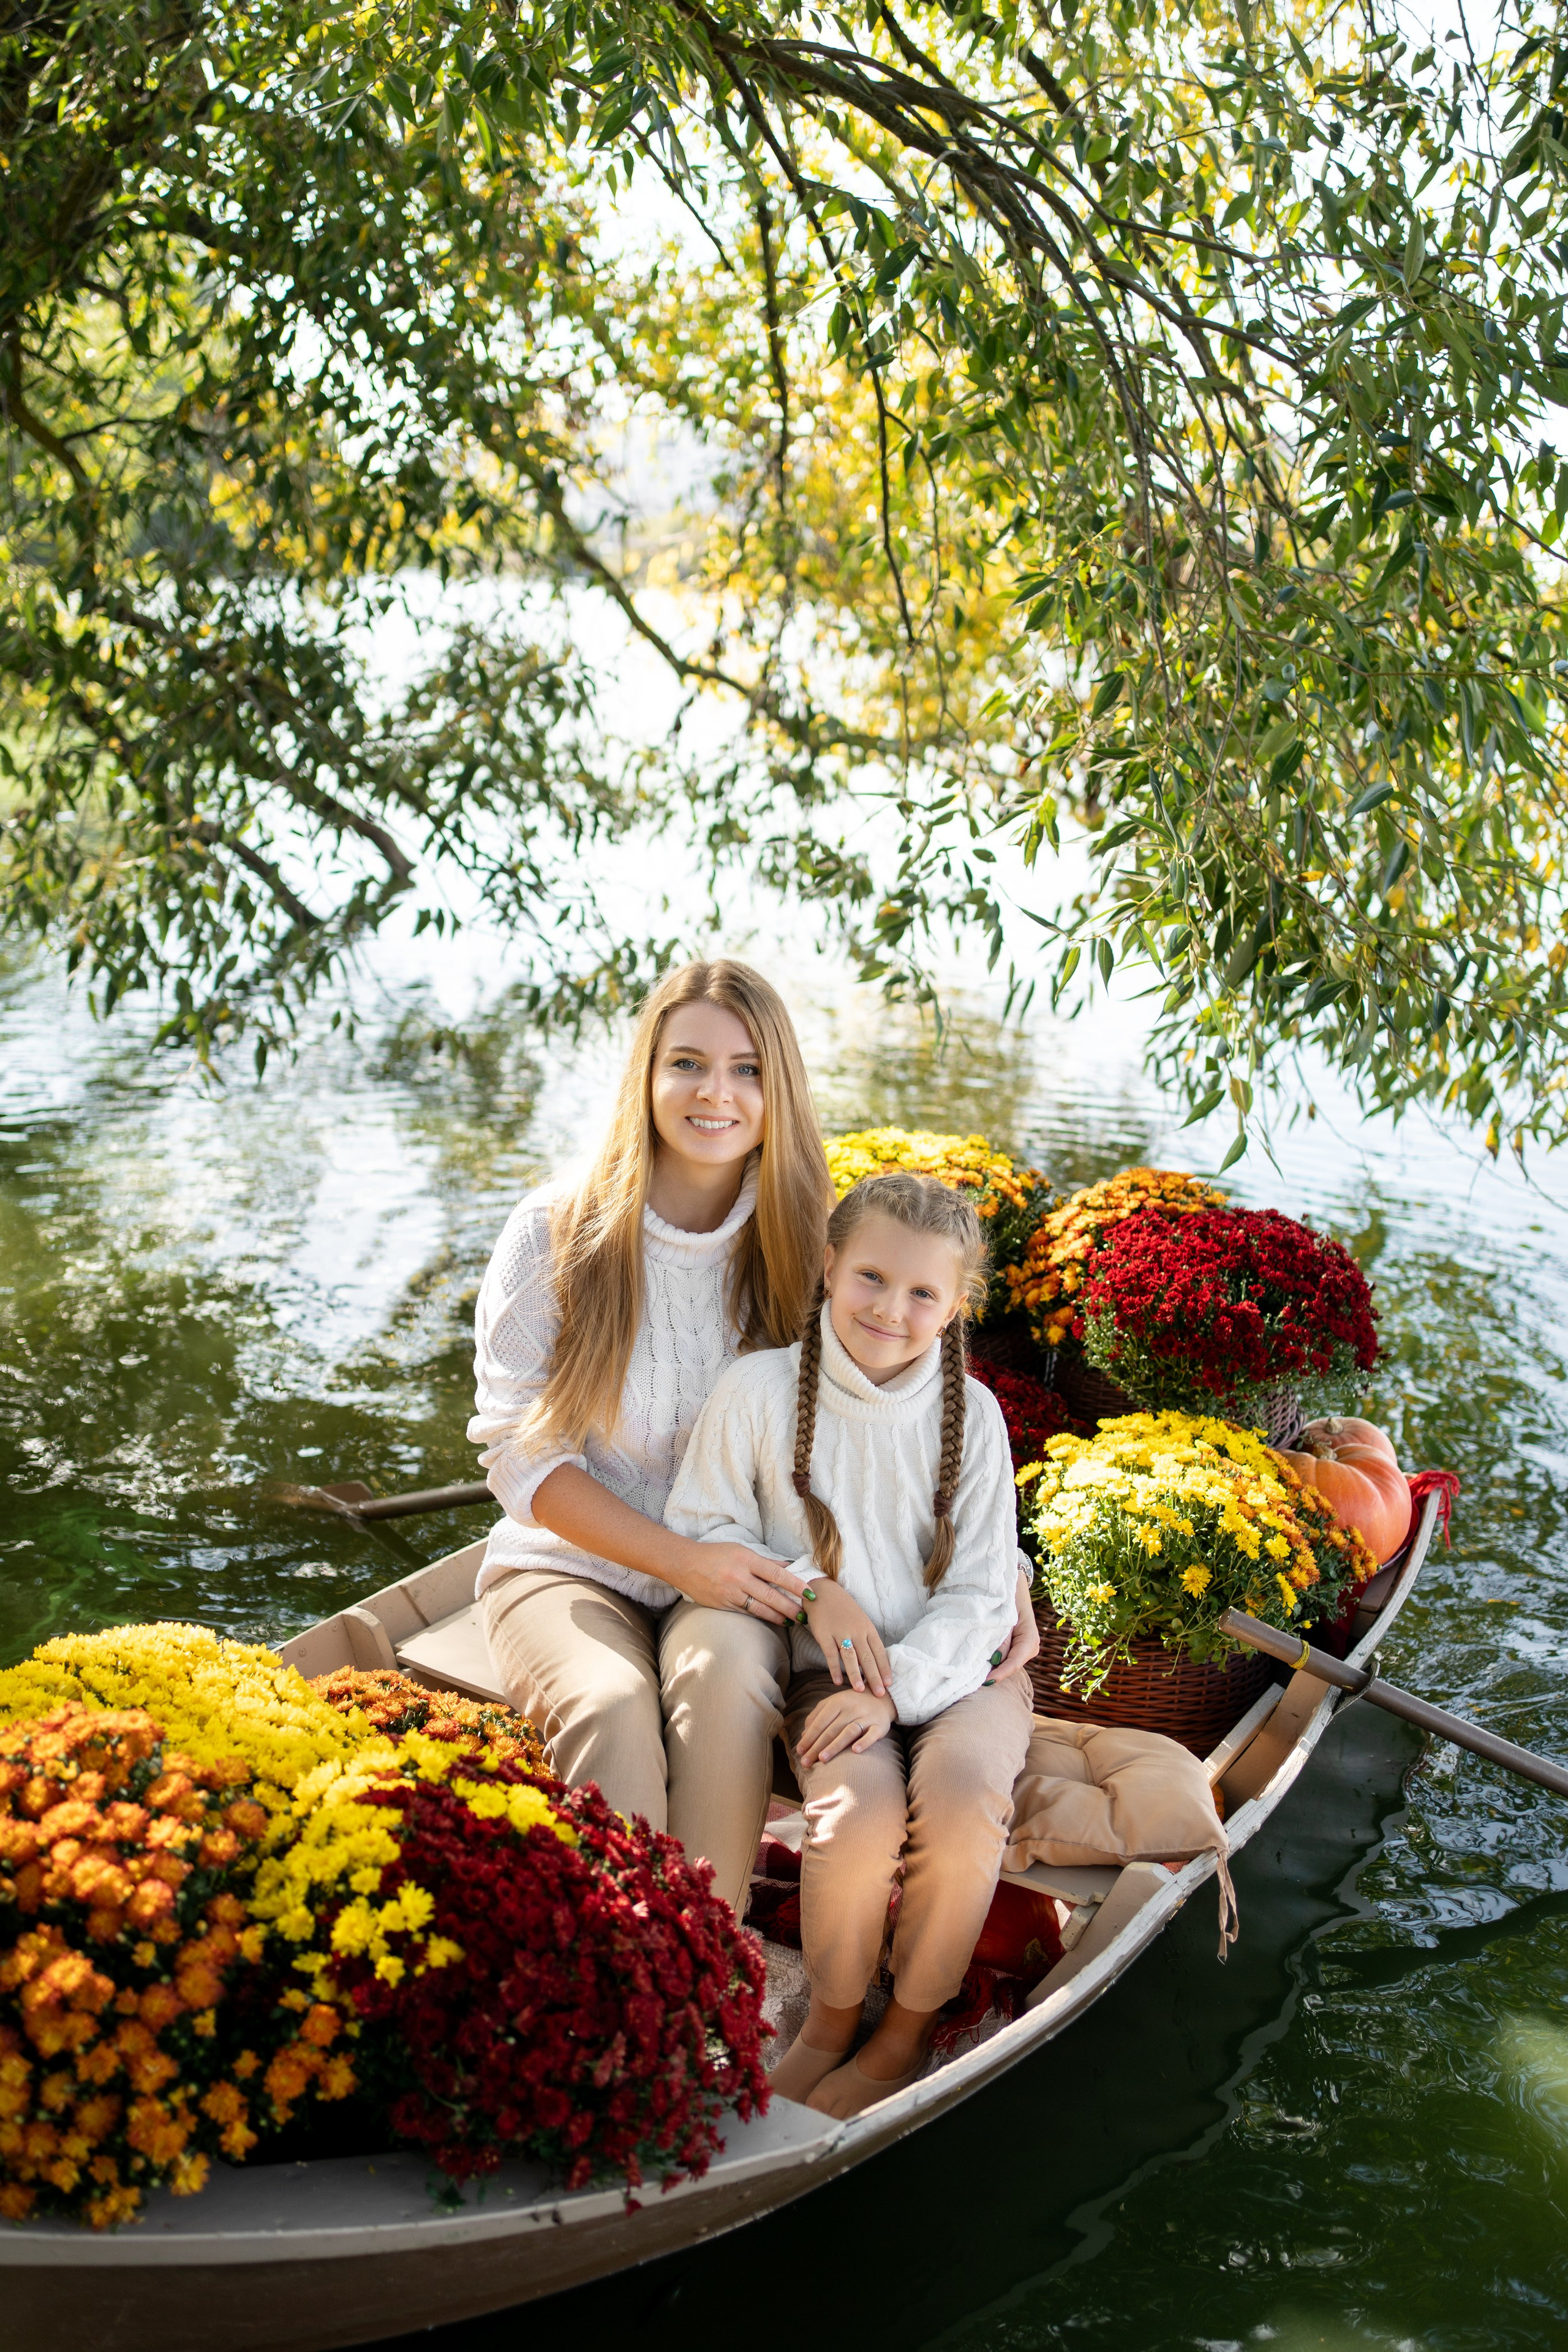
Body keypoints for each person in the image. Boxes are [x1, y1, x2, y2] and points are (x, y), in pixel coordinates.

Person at [467, 959, 839, 1914]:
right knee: (610, 1707)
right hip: (567, 1564)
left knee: (723, 1694)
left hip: (734, 1568)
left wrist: (995, 1565)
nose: (716, 1093)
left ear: (780, 1087)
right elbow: (518, 1448)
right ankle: (625, 1984)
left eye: (748, 1069)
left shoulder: (812, 1241)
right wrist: (679, 1559)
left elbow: (907, 1412)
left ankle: (708, 1969)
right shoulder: (558, 1229)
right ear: (646, 1074)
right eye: (688, 1063)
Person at [665, 1171, 1034, 2114]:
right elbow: (703, 1526)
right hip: (824, 1677)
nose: (891, 1309)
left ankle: (903, 2031)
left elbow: (986, 1593)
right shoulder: (755, 1392)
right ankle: (831, 2019)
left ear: (956, 1306)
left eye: (923, 1294)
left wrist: (896, 1690)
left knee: (957, 1805)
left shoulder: (977, 1420)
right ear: (829, 1265)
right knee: (857, 1819)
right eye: (871, 1277)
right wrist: (810, 1589)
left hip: (965, 1673)